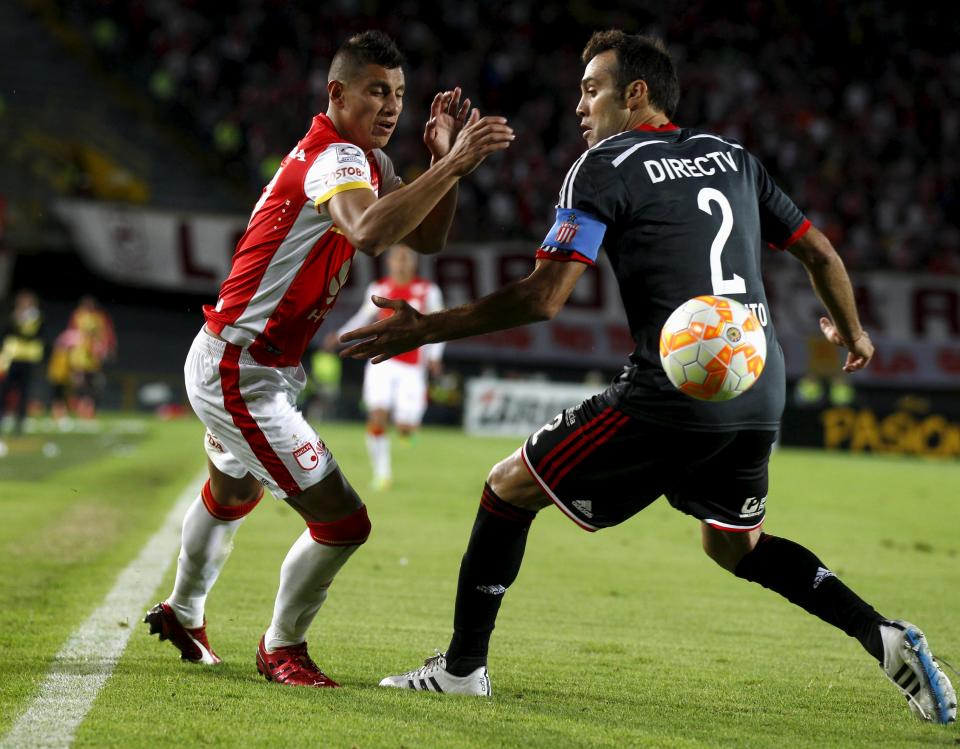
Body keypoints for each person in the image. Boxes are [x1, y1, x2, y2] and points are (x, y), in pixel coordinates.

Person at [340, 30, 956, 722]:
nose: (579, 105)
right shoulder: (734, 158)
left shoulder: (604, 165)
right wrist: (853, 329)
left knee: (507, 488)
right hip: (758, 382)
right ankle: (884, 635)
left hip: (673, 388)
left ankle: (460, 668)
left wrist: (423, 327)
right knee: (735, 542)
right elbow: (816, 249)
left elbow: (543, 298)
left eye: (592, 89)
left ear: (636, 95)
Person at [143, 30, 514, 688]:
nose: (392, 105)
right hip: (240, 370)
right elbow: (370, 232)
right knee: (343, 521)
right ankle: (282, 646)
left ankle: (184, 610)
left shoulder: (365, 159)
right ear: (335, 93)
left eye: (399, 94)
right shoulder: (338, 157)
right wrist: (452, 166)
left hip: (247, 361)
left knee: (233, 491)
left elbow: (425, 238)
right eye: (377, 90)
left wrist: (439, 161)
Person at [329, 243, 444, 490]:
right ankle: (382, 474)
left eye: (406, 259)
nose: (401, 264)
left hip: (412, 367)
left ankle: (406, 430)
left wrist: (435, 355)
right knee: (377, 415)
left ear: (413, 263)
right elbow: (363, 316)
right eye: (397, 259)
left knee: (405, 426)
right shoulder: (380, 288)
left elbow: (439, 325)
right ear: (390, 263)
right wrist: (340, 334)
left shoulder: (427, 290)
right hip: (381, 362)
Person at [0, 290, 44, 435]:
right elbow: (7, 332)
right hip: (13, 358)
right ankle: (2, 415)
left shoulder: (36, 317)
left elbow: (31, 335)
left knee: (24, 391)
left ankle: (20, 420)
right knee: (5, 389)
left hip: (28, 359)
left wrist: (21, 321)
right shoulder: (13, 315)